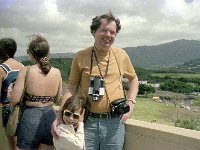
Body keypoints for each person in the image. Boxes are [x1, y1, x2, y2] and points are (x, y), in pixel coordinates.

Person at [52, 12, 139, 150]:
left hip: (114, 123)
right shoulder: (80, 56)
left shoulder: (121, 55)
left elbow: (133, 79)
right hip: (86, 121)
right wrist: (60, 115)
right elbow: (71, 87)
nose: (108, 35)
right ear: (93, 31)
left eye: (113, 32)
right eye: (104, 30)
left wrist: (131, 102)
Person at [10, 34, 62, 150]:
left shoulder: (26, 70)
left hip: (30, 118)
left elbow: (14, 100)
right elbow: (58, 99)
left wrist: (10, 91)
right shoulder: (57, 72)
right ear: (48, 53)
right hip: (51, 117)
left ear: (32, 54)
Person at [0, 37, 24, 150]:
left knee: (12, 146)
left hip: (8, 109)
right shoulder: (23, 67)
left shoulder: (2, 68)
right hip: (22, 109)